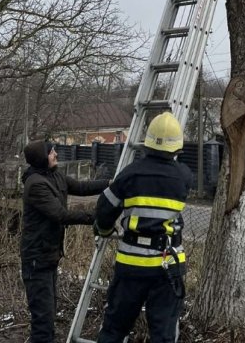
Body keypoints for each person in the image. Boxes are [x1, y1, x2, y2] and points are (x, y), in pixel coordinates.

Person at [94, 112, 193, 343]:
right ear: (177, 147)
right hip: (168, 265)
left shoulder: (130, 173)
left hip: (132, 264)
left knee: (114, 330)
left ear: (147, 143)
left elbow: (105, 208)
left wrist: (105, 230)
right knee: (164, 335)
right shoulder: (184, 176)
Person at [20, 140, 109, 343]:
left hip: (49, 256)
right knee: (43, 321)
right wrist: (96, 217)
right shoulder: (35, 185)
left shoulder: (55, 175)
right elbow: (60, 215)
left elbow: (81, 186)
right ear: (42, 158)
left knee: (49, 314)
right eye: (52, 153)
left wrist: (110, 184)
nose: (56, 155)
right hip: (37, 259)